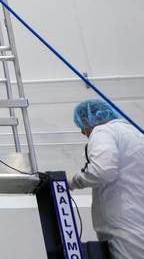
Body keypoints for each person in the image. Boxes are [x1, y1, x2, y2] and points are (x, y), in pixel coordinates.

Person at [68, 98, 144, 258]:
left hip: (124, 223)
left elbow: (102, 171)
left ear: (87, 121)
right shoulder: (135, 133)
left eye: (82, 128)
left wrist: (73, 182)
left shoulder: (102, 132)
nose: (84, 133)